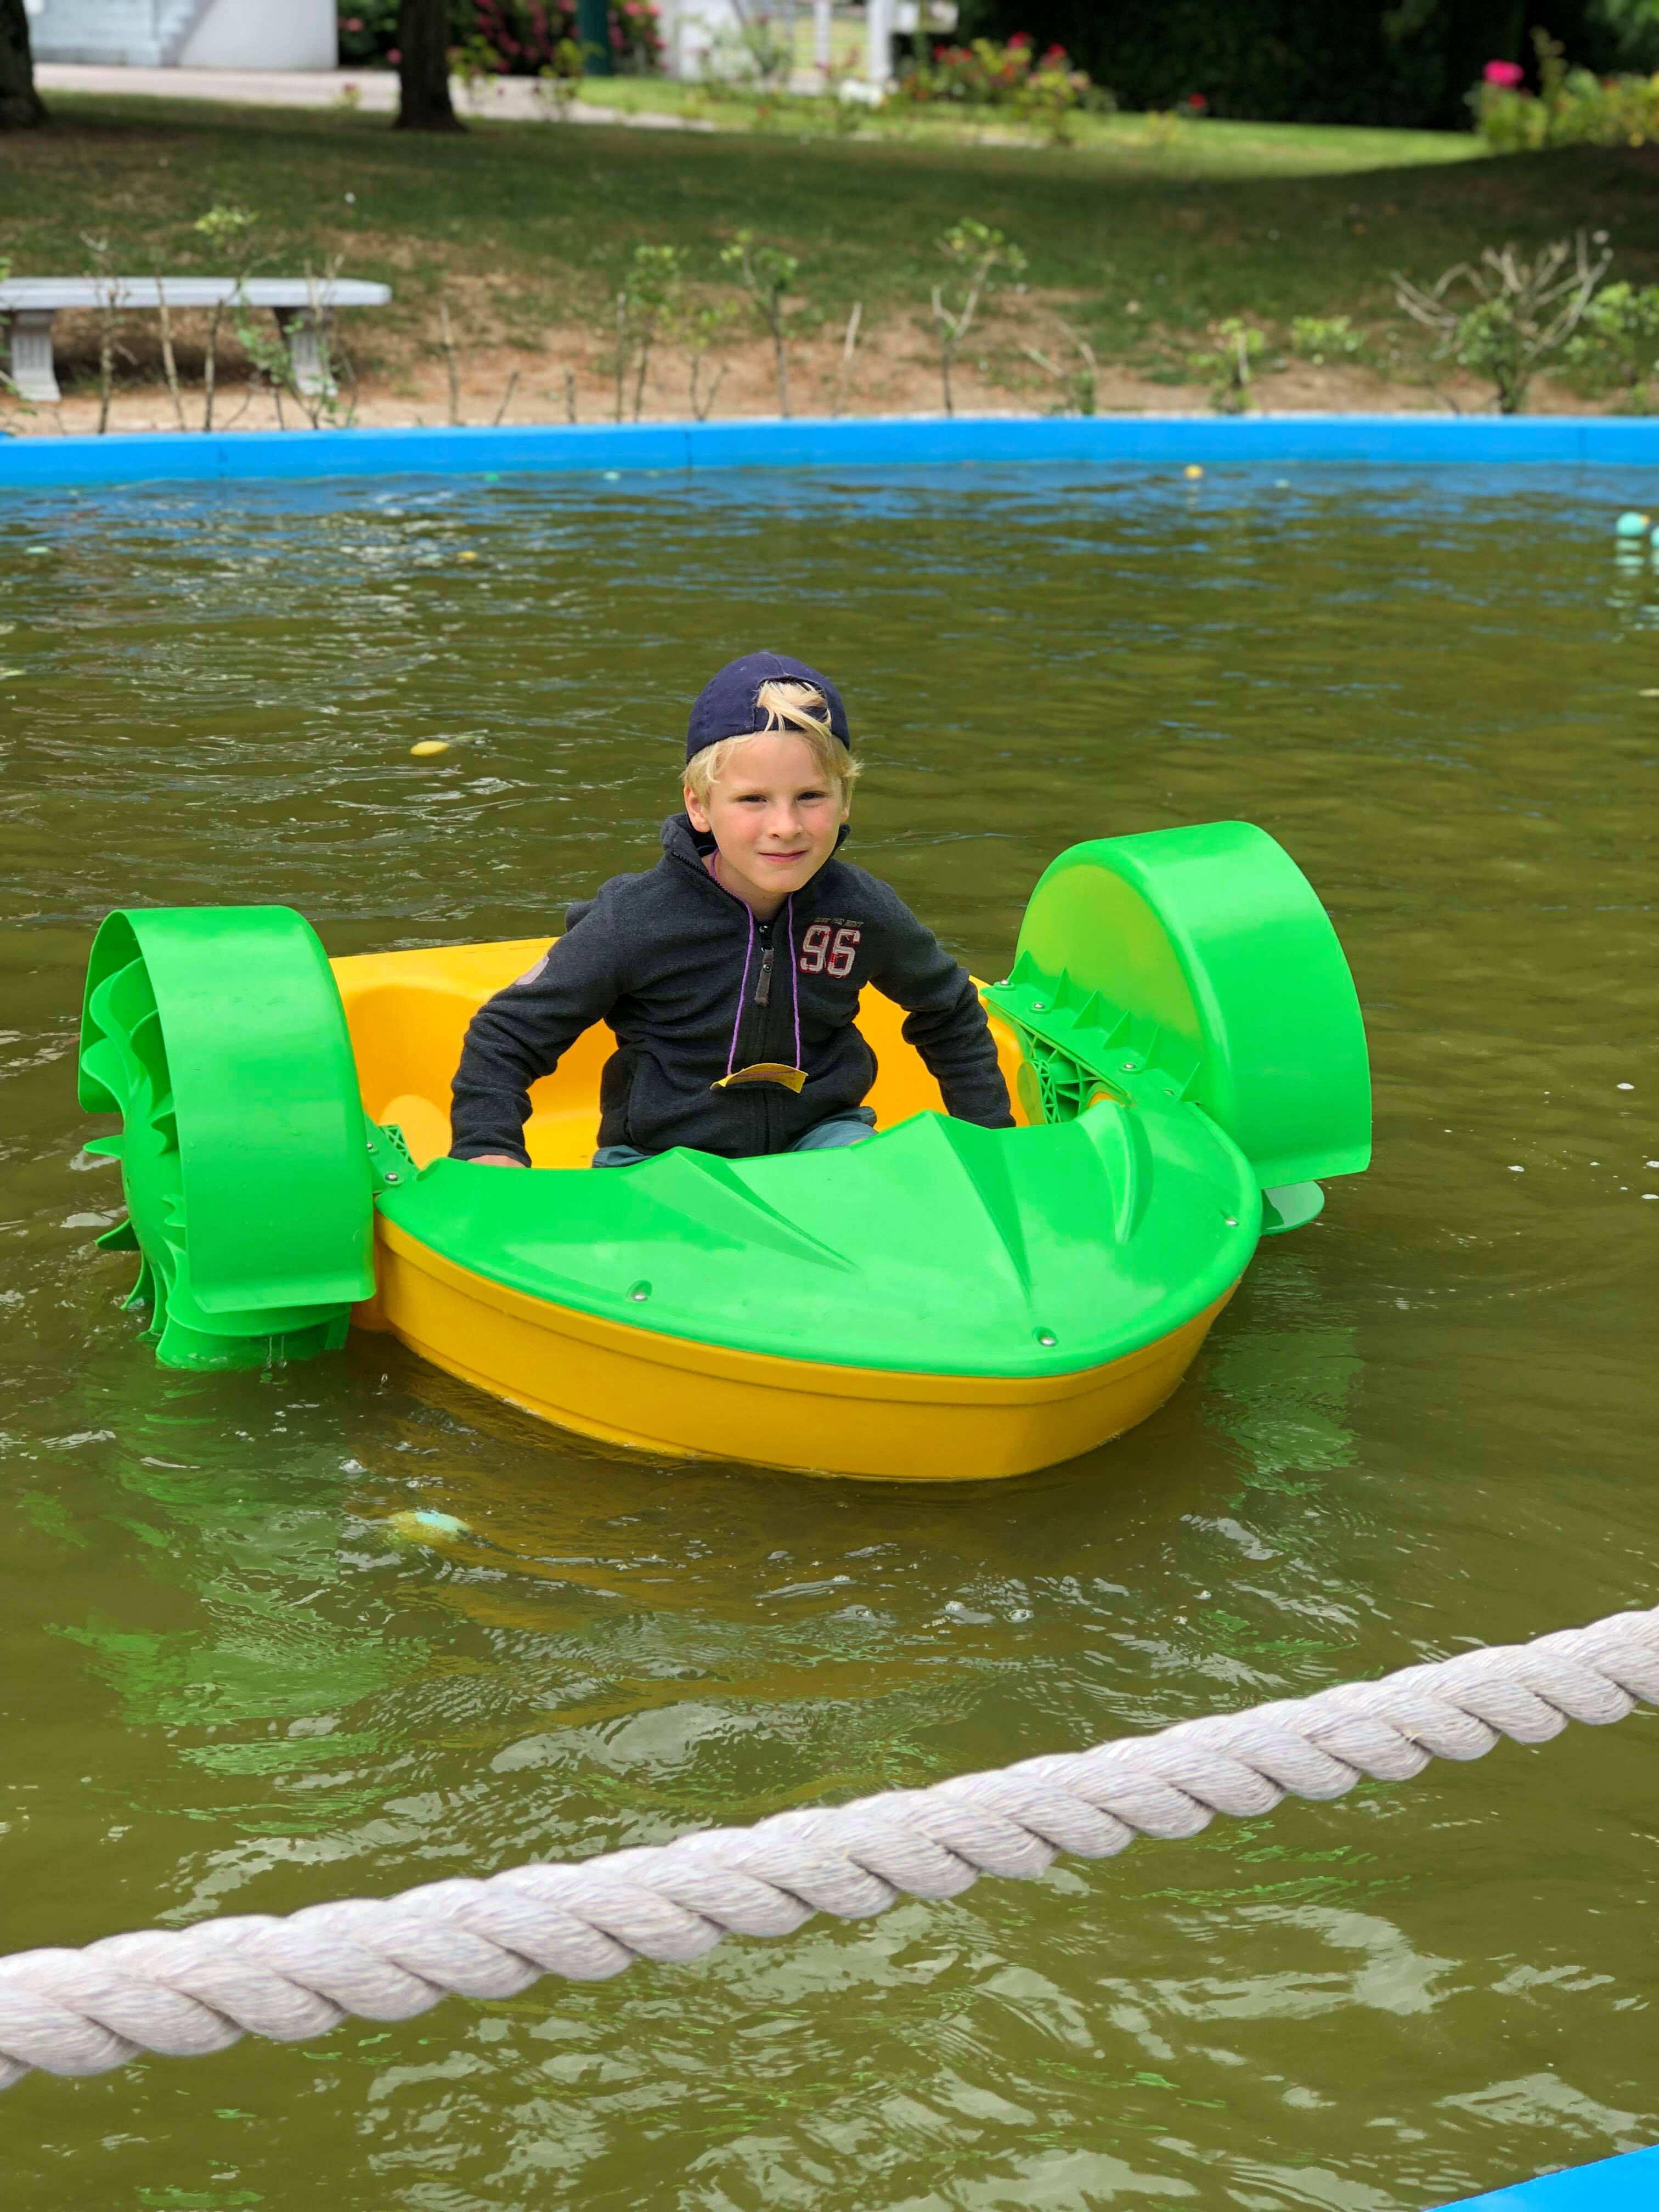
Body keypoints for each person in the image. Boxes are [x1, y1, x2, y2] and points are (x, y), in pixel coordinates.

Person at [449, 650, 1013, 1170]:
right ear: (699, 806)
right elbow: (508, 1032)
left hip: (820, 1138)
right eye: (753, 799)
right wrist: (488, 1145)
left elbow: (950, 1009)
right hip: (660, 1157)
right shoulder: (634, 919)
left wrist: (990, 1141)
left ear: (845, 801)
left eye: (810, 796)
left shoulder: (863, 911)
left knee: (878, 1191)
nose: (785, 826)